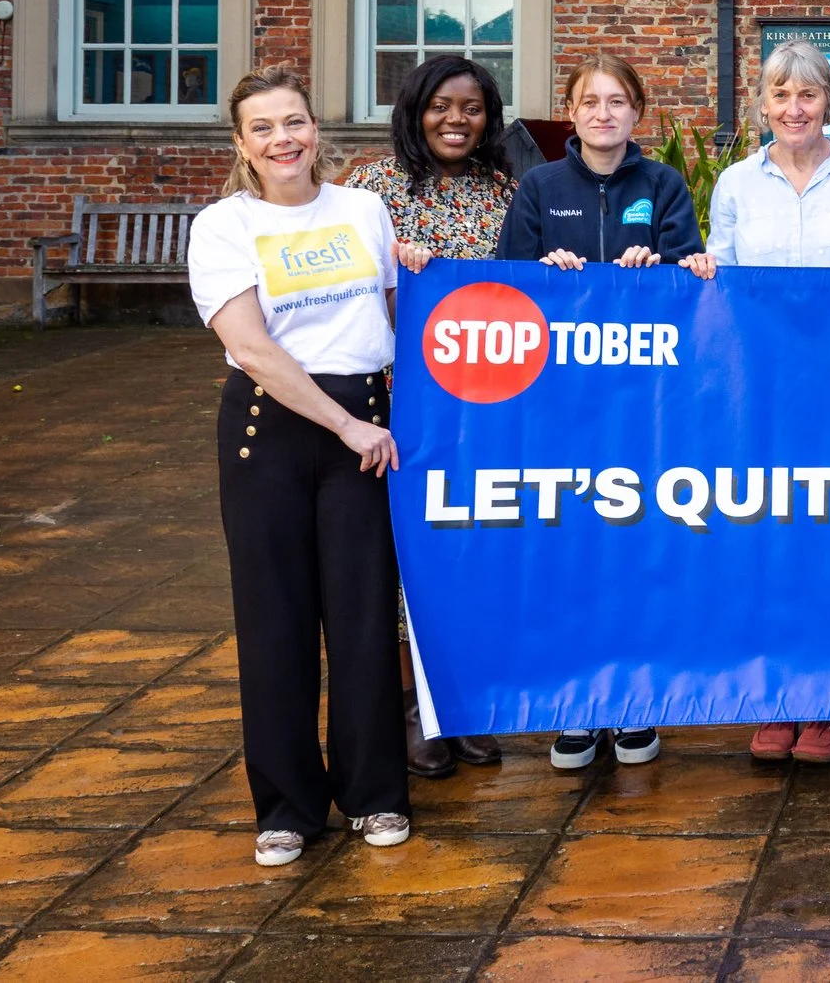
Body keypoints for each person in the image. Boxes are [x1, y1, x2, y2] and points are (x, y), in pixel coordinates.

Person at [186, 66, 409, 869]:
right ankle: (286, 806)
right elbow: (249, 346)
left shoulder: (364, 208)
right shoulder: (222, 225)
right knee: (275, 621)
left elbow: (393, 311)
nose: (284, 139)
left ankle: (376, 793)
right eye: (264, 127)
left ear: (317, 128)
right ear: (241, 144)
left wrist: (416, 264)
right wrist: (346, 424)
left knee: (362, 617)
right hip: (270, 429)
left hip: (367, 427)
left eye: (295, 122)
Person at [681, 39, 830, 765]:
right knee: (769, 537)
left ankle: (829, 701)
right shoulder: (738, 184)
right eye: (781, 96)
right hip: (763, 389)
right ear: (763, 105)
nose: (794, 108)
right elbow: (725, 273)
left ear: (828, 103)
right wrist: (708, 266)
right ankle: (776, 694)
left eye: (807, 96)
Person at [497, 54, 701, 772]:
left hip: (645, 407)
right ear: (572, 112)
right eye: (591, 102)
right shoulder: (540, 186)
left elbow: (696, 280)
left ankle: (635, 702)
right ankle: (576, 706)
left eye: (619, 102)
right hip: (562, 406)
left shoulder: (664, 183)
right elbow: (508, 287)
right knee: (568, 550)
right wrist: (541, 276)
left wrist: (667, 268)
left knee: (638, 546)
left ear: (637, 113)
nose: (605, 113)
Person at [346, 55, 518, 780]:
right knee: (398, 556)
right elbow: (345, 288)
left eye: (472, 108)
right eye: (442, 105)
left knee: (467, 547)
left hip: (485, 401)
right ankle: (414, 711)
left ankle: (462, 701)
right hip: (396, 398)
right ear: (415, 109)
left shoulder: (508, 190)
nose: (457, 119)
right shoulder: (371, 191)